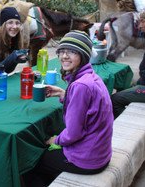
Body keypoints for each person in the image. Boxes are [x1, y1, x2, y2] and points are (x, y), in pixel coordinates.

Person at [23, 30, 113, 186]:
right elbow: (89, 108)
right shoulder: (91, 77)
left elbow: (73, 134)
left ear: (83, 55)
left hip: (88, 159)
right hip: (101, 152)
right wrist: (65, 94)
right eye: (62, 51)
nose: (64, 56)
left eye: (72, 52)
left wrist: (55, 140)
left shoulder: (80, 86)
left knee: (31, 162)